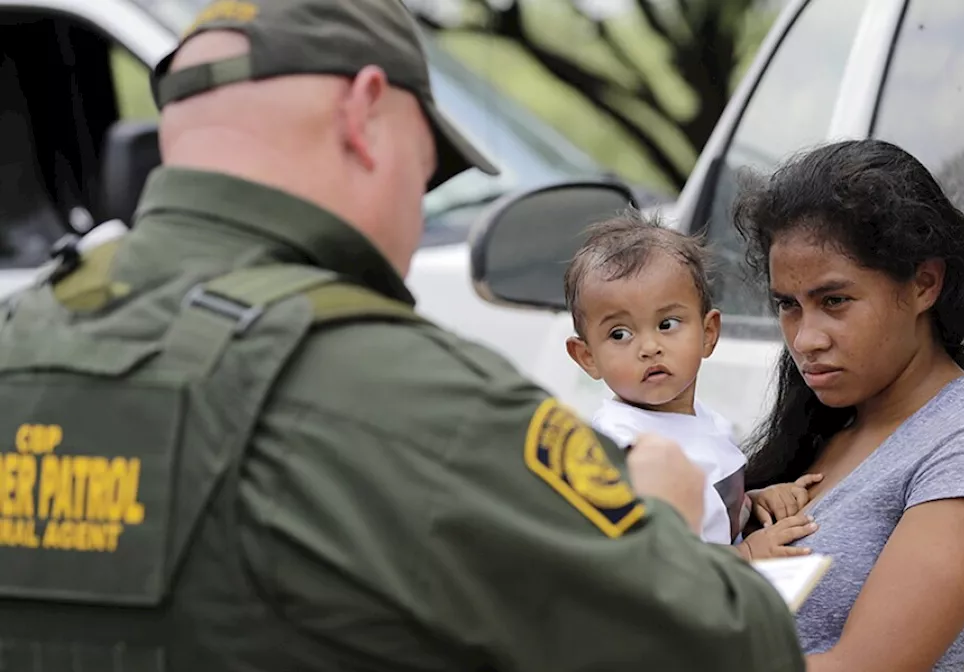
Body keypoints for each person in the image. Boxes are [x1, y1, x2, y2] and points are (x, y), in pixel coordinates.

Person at [0, 1, 806, 670]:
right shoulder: (409, 393)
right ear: (364, 114)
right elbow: (728, 644)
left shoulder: (18, 341)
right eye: (424, 174)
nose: (416, 214)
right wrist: (667, 521)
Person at [731, 139, 964, 671]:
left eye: (835, 301)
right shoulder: (820, 423)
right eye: (788, 305)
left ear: (924, 283)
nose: (805, 338)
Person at [563, 211, 818, 558]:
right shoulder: (624, 448)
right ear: (587, 356)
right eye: (619, 333)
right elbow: (658, 561)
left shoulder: (704, 421)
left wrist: (754, 502)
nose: (649, 347)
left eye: (667, 324)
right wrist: (747, 555)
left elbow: (707, 514)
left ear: (708, 333)